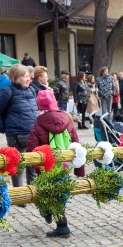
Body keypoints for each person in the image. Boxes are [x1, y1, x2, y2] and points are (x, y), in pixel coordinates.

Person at [26, 89, 85, 238]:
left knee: (46, 192)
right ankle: (58, 221)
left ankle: (59, 224)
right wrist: (79, 169)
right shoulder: (67, 119)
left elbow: (31, 148)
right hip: (64, 165)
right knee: (59, 192)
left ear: (39, 106)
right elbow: (77, 145)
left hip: (46, 167)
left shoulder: (39, 123)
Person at [0, 64, 38, 188]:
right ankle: (19, 194)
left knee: (32, 163)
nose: (28, 79)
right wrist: (3, 128)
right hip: (16, 135)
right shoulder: (8, 92)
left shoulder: (32, 90)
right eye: (24, 76)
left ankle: (31, 191)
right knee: (17, 166)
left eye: (28, 76)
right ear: (16, 78)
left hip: (32, 133)